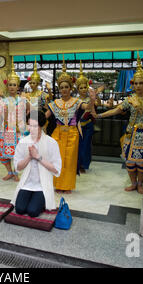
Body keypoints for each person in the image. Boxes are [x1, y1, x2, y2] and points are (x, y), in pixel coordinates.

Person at [91, 54, 143, 195]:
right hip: (131, 134)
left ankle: (140, 184)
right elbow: (116, 110)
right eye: (135, 83)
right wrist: (99, 115)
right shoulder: (130, 99)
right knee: (130, 161)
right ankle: (133, 183)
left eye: (141, 83)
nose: (138, 86)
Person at [45, 57, 96, 194]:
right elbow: (45, 116)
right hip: (58, 134)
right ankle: (58, 184)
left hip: (73, 133)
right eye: (61, 87)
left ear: (70, 88)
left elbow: (87, 108)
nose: (64, 90)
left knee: (70, 161)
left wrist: (92, 100)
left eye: (66, 87)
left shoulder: (76, 101)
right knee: (57, 159)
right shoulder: (55, 103)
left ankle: (67, 186)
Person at [11, 110, 62, 217]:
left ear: (41, 126)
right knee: (20, 209)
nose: (31, 129)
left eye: (35, 126)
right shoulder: (23, 142)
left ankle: (40, 200)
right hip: (27, 184)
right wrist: (29, 156)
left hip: (42, 185)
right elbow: (18, 167)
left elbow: (56, 169)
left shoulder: (51, 143)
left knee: (33, 211)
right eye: (29, 125)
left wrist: (38, 157)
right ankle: (34, 200)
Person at [0, 58, 27, 181]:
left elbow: (31, 111)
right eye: (10, 85)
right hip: (7, 130)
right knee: (4, 153)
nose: (12, 87)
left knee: (18, 153)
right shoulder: (3, 101)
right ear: (7, 86)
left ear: (18, 86)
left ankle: (16, 173)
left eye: (14, 85)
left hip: (19, 131)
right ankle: (9, 172)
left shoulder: (23, 100)